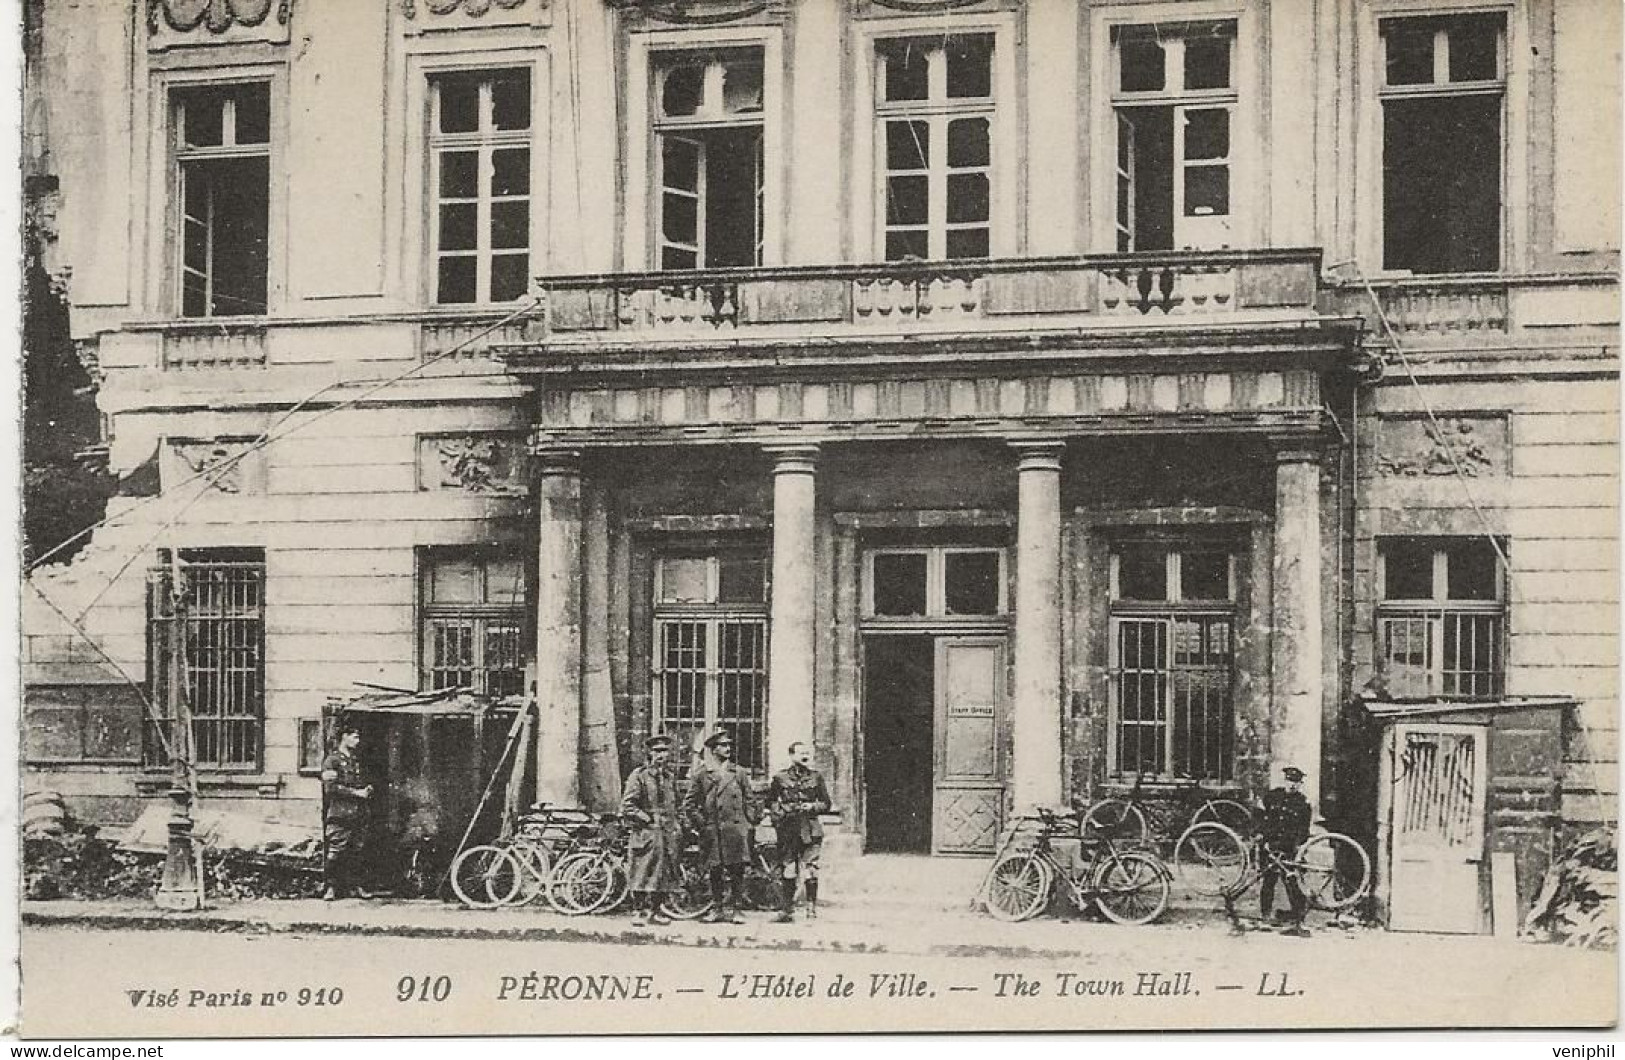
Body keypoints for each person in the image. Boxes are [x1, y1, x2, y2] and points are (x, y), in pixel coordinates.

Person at [683, 728, 760, 924]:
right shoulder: (702, 774)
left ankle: (736, 909)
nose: (727, 749)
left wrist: (748, 823)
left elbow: (750, 800)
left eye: (729, 745)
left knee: (737, 870)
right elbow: (689, 804)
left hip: (735, 829)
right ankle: (716, 908)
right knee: (715, 870)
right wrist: (703, 825)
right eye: (722, 746)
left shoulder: (739, 772)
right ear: (713, 749)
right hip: (713, 830)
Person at [766, 741, 831, 923]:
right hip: (788, 830)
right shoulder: (780, 778)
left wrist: (812, 805)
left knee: (811, 869)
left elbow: (826, 803)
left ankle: (811, 909)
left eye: (807, 753)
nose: (805, 756)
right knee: (789, 869)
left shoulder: (816, 777)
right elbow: (770, 802)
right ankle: (787, 911)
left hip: (810, 830)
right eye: (801, 753)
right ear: (792, 755)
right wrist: (781, 812)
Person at [620, 734, 681, 926]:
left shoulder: (670, 777)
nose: (661, 755)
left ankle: (656, 911)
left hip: (667, 832)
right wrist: (646, 818)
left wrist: (678, 824)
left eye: (664, 751)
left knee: (664, 872)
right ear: (649, 753)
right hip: (646, 833)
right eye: (657, 751)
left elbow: (676, 803)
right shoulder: (639, 776)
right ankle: (638, 911)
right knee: (642, 871)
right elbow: (628, 805)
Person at [321, 720, 375, 900]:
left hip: (359, 813)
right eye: (355, 736)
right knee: (336, 851)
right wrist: (356, 793)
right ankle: (330, 887)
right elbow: (331, 788)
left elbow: (359, 783)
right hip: (340, 814)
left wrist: (366, 790)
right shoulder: (332, 760)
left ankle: (357, 887)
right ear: (344, 737)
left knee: (358, 852)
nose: (357, 741)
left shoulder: (356, 760)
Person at [1259, 765, 1312, 936]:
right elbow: (1259, 815)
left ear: (1300, 784)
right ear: (1285, 780)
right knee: (1268, 882)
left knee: (1292, 884)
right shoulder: (1272, 796)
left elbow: (1304, 831)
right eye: (1290, 781)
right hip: (1270, 847)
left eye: (1296, 782)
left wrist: (1297, 849)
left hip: (1289, 850)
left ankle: (1298, 921)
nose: (1293, 785)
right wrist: (1261, 836)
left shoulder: (1303, 804)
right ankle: (1265, 916)